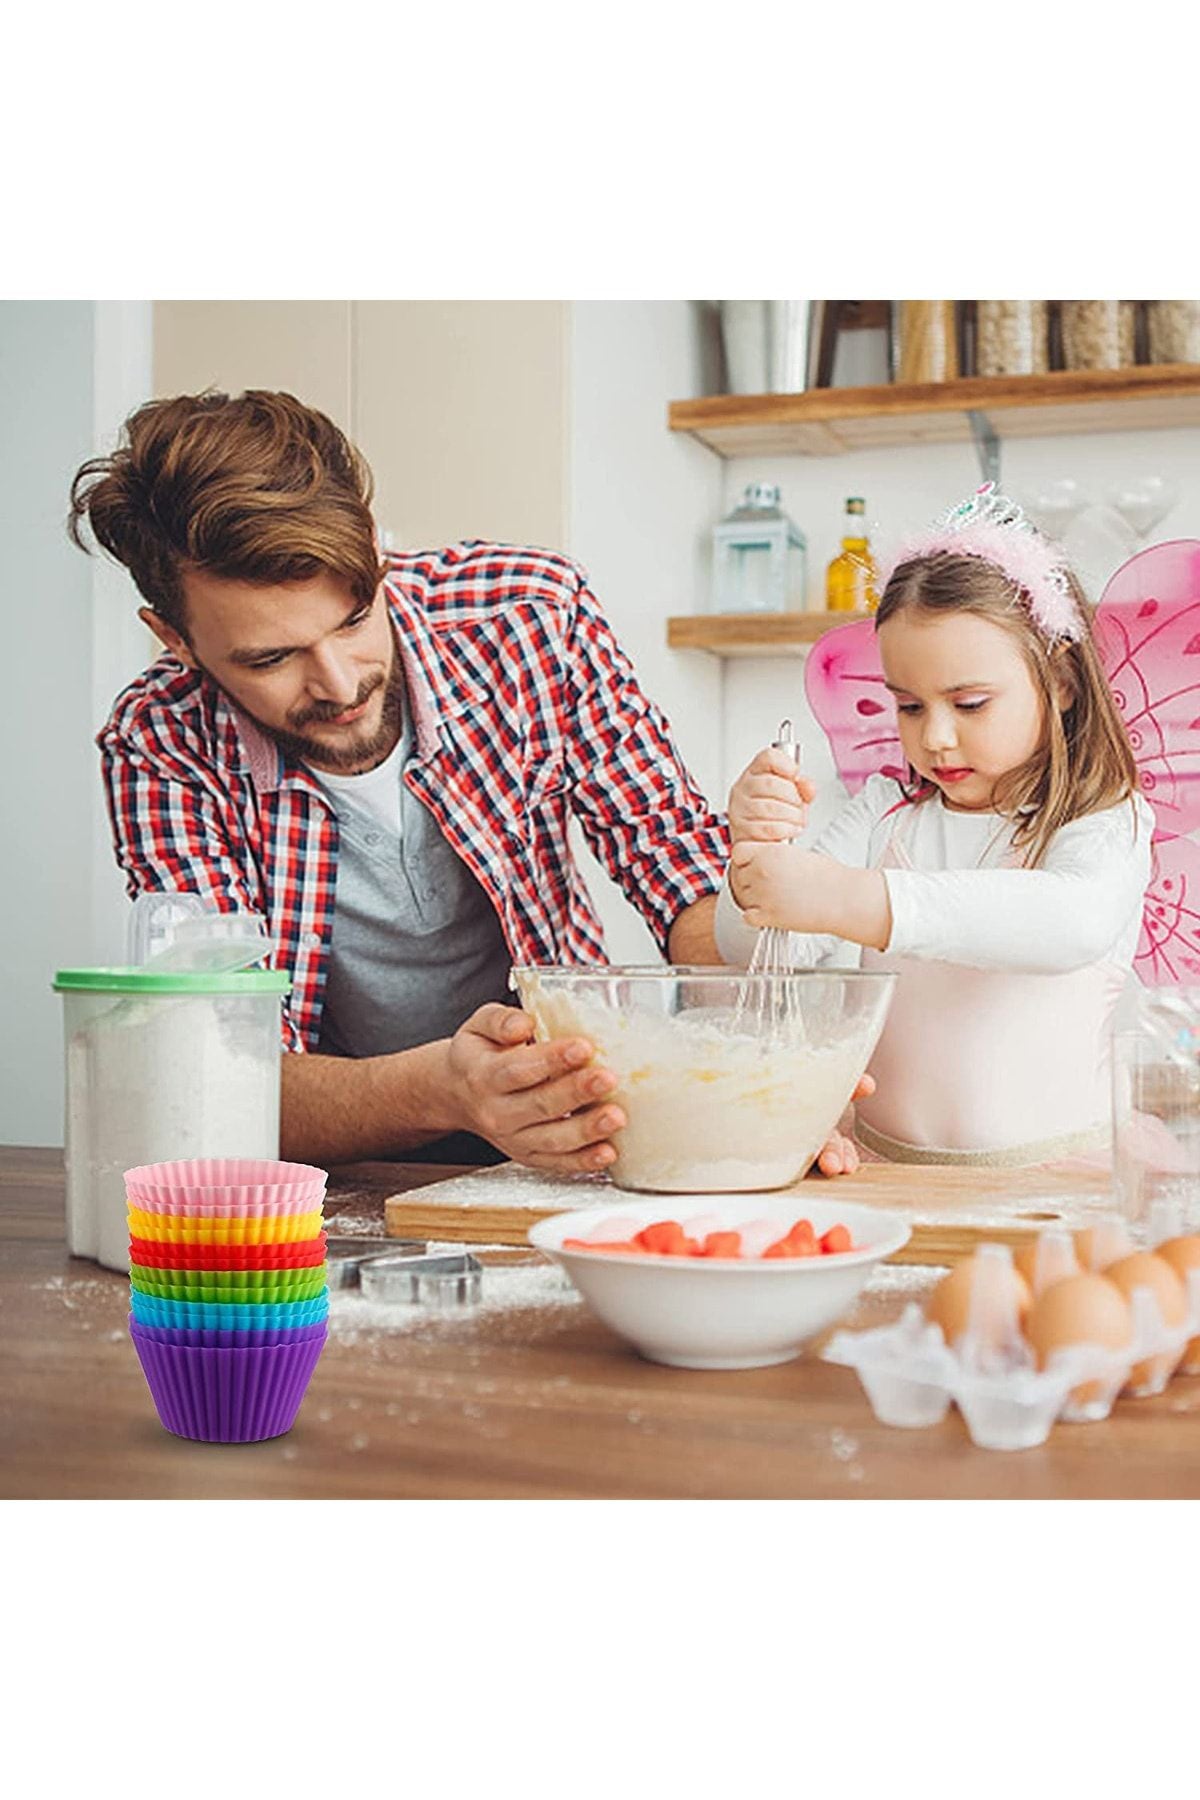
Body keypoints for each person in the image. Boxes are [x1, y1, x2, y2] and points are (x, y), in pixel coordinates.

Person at [70, 388, 866, 1176]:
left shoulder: (531, 618)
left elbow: (676, 872)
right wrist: (444, 1091)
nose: (341, 683)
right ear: (173, 636)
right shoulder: (158, 740)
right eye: (270, 659)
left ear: (375, 551)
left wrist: (777, 1067)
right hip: (330, 1163)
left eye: (353, 620)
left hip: (572, 1119)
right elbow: (221, 1074)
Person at [716, 485, 1154, 1167]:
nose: (937, 737)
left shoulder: (1103, 817)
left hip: (1065, 1180)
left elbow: (1072, 924)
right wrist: (755, 856)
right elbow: (755, 949)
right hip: (889, 1172)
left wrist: (852, 899)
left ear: (1062, 681)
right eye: (910, 707)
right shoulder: (884, 812)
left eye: (970, 703)